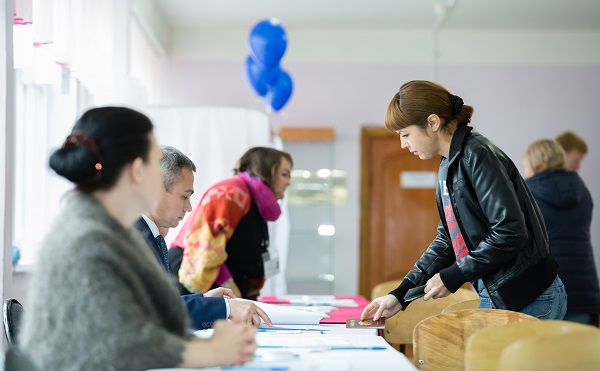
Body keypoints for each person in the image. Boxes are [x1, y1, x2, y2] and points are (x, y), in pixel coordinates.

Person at [19, 107, 256, 370]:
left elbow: (146, 311)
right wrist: (212, 352)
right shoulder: (87, 238)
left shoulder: (103, 227)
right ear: (137, 171)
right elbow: (125, 342)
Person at [361, 80, 567, 323]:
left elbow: (510, 231)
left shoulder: (477, 155)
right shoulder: (449, 164)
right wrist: (400, 294)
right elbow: (449, 239)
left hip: (529, 295)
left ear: (432, 122)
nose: (403, 144)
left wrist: (453, 275)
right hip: (506, 293)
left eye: (405, 134)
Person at [134, 145, 272, 329]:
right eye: (184, 196)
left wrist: (204, 299)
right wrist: (224, 307)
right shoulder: (132, 239)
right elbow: (157, 311)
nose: (189, 207)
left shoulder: (146, 234)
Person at [169, 147, 293, 300]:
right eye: (284, 174)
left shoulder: (253, 200)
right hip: (192, 287)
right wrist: (236, 298)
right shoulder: (231, 191)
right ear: (266, 171)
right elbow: (208, 248)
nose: (288, 182)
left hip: (222, 295)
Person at [523, 139, 600, 324]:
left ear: (536, 164)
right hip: (585, 290)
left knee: (546, 352)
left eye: (526, 165)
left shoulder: (526, 193)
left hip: (548, 292)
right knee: (581, 352)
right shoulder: (582, 190)